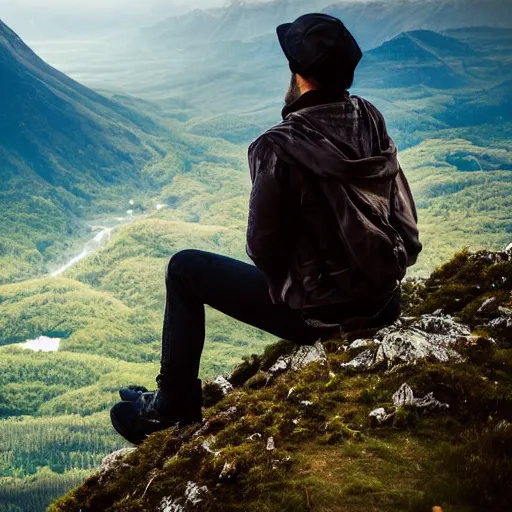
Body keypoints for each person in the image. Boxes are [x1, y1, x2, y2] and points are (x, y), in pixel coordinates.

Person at [110, 13, 422, 445]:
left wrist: (307, 280)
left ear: (299, 75)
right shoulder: (370, 116)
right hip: (385, 300)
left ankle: (171, 406)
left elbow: (262, 247)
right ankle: (168, 396)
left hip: (319, 315)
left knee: (184, 269)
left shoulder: (278, 146)